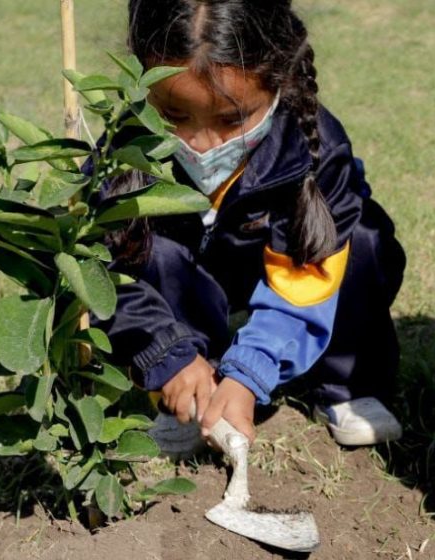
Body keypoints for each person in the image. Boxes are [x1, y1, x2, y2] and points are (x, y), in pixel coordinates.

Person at [97, 0, 407, 450]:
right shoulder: (120, 155)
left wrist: (251, 372)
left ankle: (346, 386)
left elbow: (306, 282)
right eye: (174, 116)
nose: (202, 144)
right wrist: (165, 350)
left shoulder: (315, 148)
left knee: (361, 241)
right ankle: (187, 387)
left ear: (277, 78)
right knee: (149, 250)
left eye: (231, 120)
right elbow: (105, 273)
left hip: (275, 263)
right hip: (194, 271)